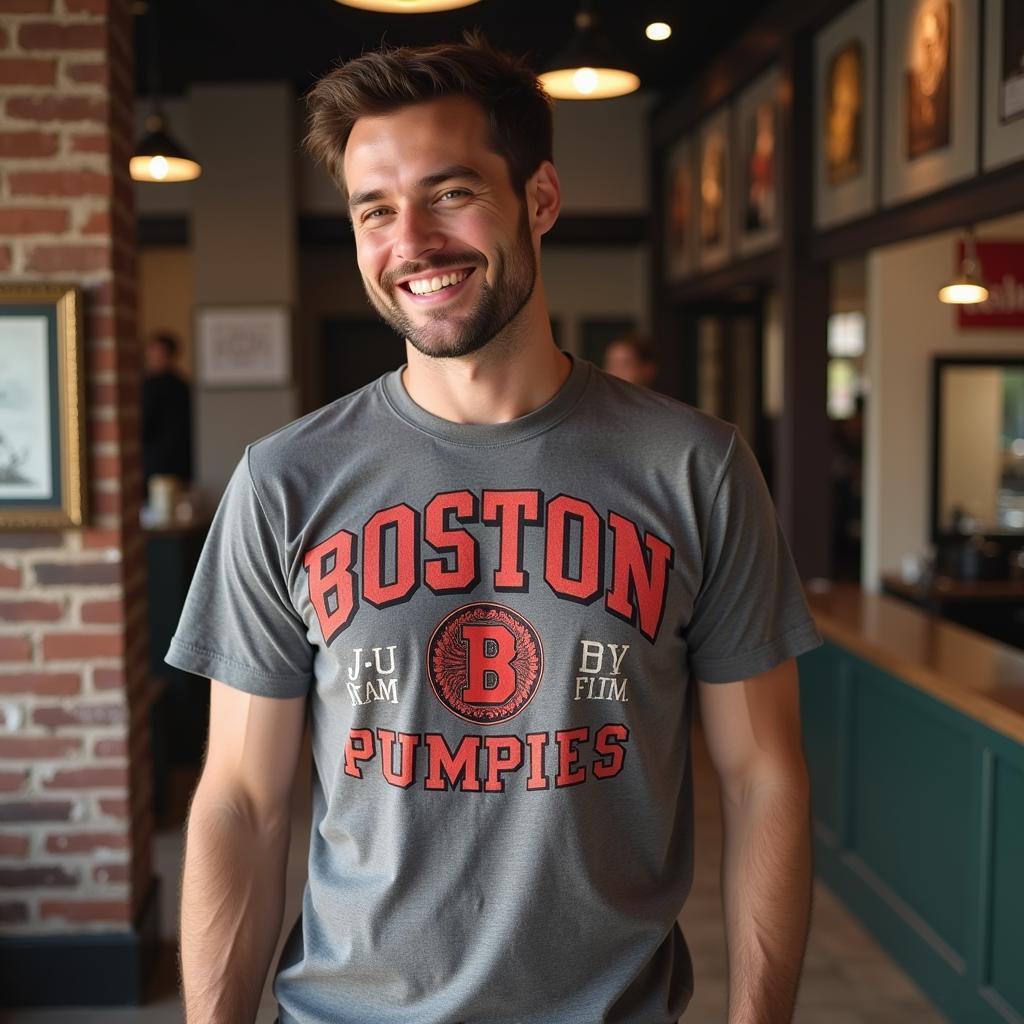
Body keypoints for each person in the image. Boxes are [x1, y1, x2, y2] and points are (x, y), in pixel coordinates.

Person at [168, 35, 822, 1024]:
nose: (412, 241)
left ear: (541, 199)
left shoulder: (692, 468)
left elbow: (762, 774)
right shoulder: (286, 481)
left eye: (452, 192)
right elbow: (242, 805)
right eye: (374, 210)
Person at [141, 331, 193, 487]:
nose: (152, 360)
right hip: (176, 463)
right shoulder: (182, 385)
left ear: (169, 357)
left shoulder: (155, 386)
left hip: (158, 464)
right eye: (150, 356)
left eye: (157, 356)